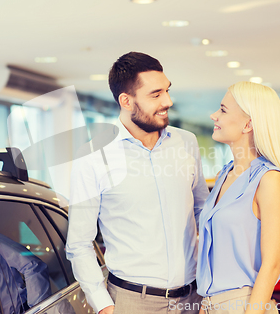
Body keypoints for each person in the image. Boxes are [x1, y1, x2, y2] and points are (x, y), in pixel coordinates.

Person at [66, 52, 209, 314]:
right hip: (132, 303)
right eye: (155, 95)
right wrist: (104, 306)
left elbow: (203, 213)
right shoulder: (93, 156)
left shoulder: (186, 142)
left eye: (167, 90)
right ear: (126, 101)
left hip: (194, 298)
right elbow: (79, 243)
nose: (167, 101)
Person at [197, 82, 280, 314]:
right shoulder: (224, 174)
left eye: (222, 110)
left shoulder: (269, 179)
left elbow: (271, 267)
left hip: (244, 305)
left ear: (248, 124)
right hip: (209, 304)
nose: (214, 115)